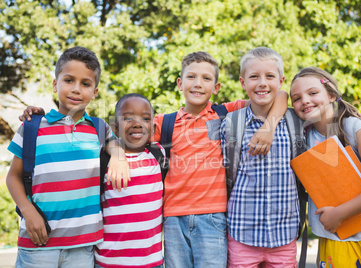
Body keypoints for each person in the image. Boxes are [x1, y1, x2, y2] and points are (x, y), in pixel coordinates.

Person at [152, 51, 288, 267]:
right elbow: (128, 135)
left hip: (214, 217)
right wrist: (117, 154)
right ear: (180, 83)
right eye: (191, 77)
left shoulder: (225, 113)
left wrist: (268, 127)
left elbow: (280, 96)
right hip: (173, 217)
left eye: (206, 78)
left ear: (216, 88)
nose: (198, 84)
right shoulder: (164, 122)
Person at [6, 46, 130, 268]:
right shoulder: (33, 126)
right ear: (55, 84)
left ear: (94, 93)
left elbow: (115, 143)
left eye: (85, 84)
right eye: (69, 80)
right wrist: (27, 211)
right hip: (37, 244)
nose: (76, 89)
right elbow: (12, 177)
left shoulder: (99, 129)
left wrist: (118, 157)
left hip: (82, 248)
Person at [290, 66, 361, 267]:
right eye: (296, 98)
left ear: (332, 95)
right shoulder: (304, 137)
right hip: (337, 237)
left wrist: (338, 214)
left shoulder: (353, 128)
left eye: (313, 93)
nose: (304, 100)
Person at [220, 47, 300, 267]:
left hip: (284, 235)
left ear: (281, 80)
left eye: (270, 76)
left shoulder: (296, 123)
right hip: (241, 235)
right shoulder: (230, 124)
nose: (262, 83)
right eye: (254, 76)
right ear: (242, 82)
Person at [95, 93, 164, 268]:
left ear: (153, 127)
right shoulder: (104, 160)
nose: (137, 123)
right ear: (116, 129)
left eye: (145, 118)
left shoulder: (159, 155)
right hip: (108, 262)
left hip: (151, 262)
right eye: (128, 118)